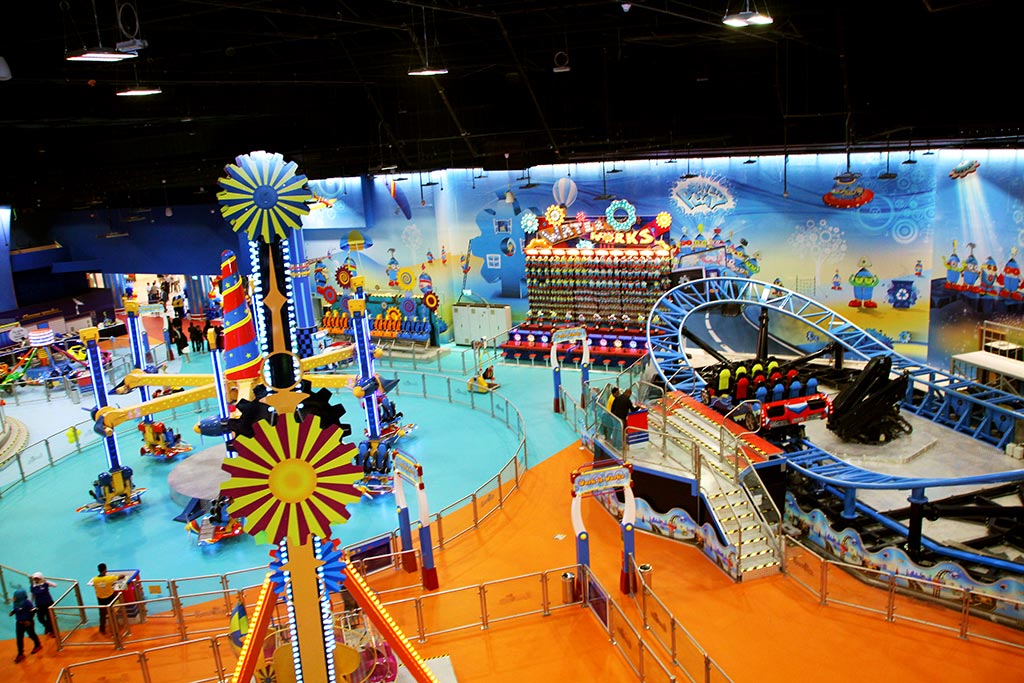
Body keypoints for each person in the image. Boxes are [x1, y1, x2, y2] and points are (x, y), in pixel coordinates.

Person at [9, 588, 42, 662]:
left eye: (15, 596)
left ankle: (38, 644)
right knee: (19, 638)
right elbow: (17, 609)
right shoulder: (16, 602)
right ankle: (20, 653)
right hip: (19, 622)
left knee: (31, 634)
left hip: (27, 622)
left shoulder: (27, 602)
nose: (14, 597)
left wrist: (29, 620)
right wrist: (13, 612)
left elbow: (34, 610)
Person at [90, 563, 119, 635]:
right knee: (115, 607)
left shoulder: (95, 579)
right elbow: (119, 577)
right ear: (105, 569)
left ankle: (102, 629)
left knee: (102, 615)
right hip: (110, 598)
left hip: (100, 599)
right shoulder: (110, 578)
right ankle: (115, 625)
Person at [30, 572, 57, 637]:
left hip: (48, 603)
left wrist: (45, 581)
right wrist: (30, 604)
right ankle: (48, 627)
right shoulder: (33, 586)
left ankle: (52, 631)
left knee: (49, 618)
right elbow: (32, 595)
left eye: (38, 578)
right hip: (39, 605)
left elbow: (55, 585)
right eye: (35, 579)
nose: (36, 580)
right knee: (40, 618)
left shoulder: (45, 584)